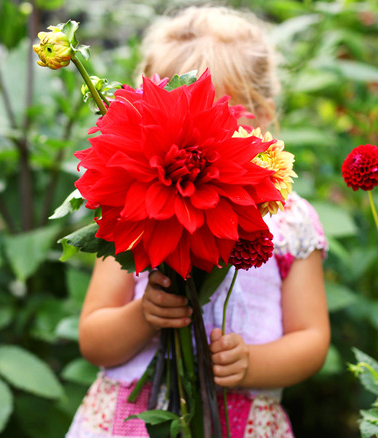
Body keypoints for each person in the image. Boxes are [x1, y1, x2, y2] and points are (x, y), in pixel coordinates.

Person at [66, 6, 330, 438]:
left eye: (215, 113)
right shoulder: (130, 213)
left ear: (261, 115)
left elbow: (312, 339)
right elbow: (94, 340)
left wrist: (252, 364)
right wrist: (144, 314)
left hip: (238, 420)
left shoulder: (290, 220)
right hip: (129, 420)